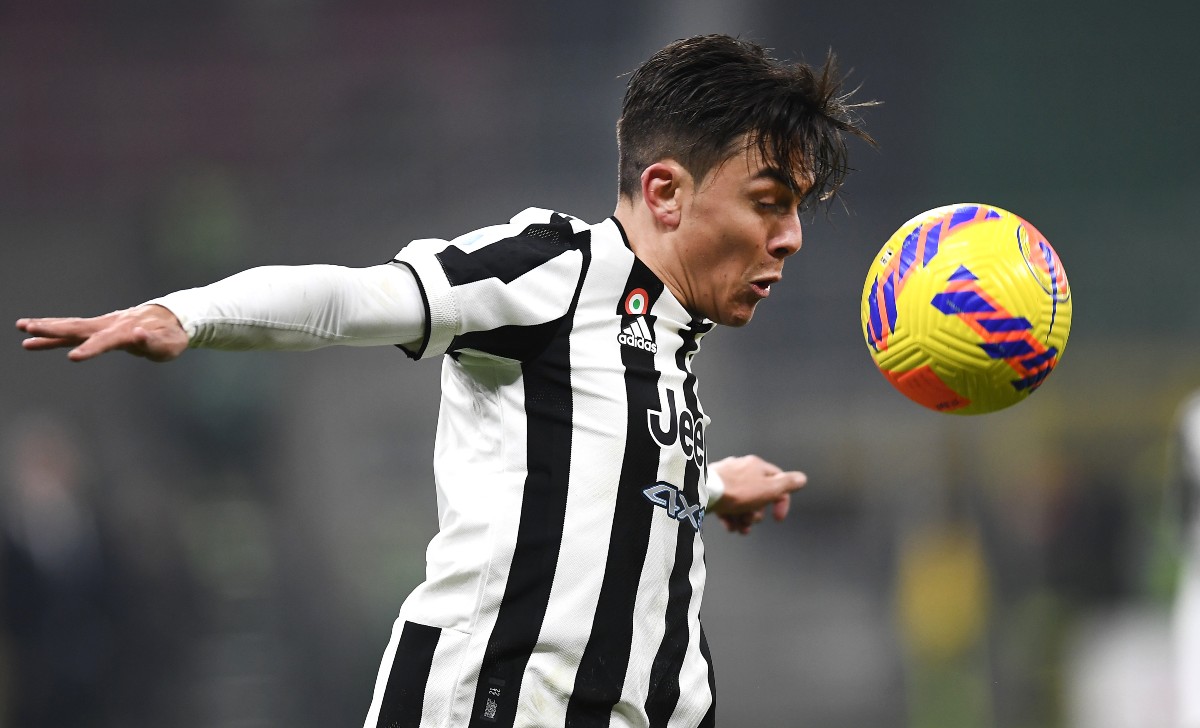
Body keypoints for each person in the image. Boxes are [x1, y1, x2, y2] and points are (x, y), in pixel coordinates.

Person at [17, 33, 872, 728]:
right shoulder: (556, 273)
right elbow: (354, 298)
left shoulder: (667, 339)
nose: (791, 237)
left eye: (797, 208)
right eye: (769, 201)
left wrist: (708, 487)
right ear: (666, 192)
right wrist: (189, 313)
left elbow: (593, 476)